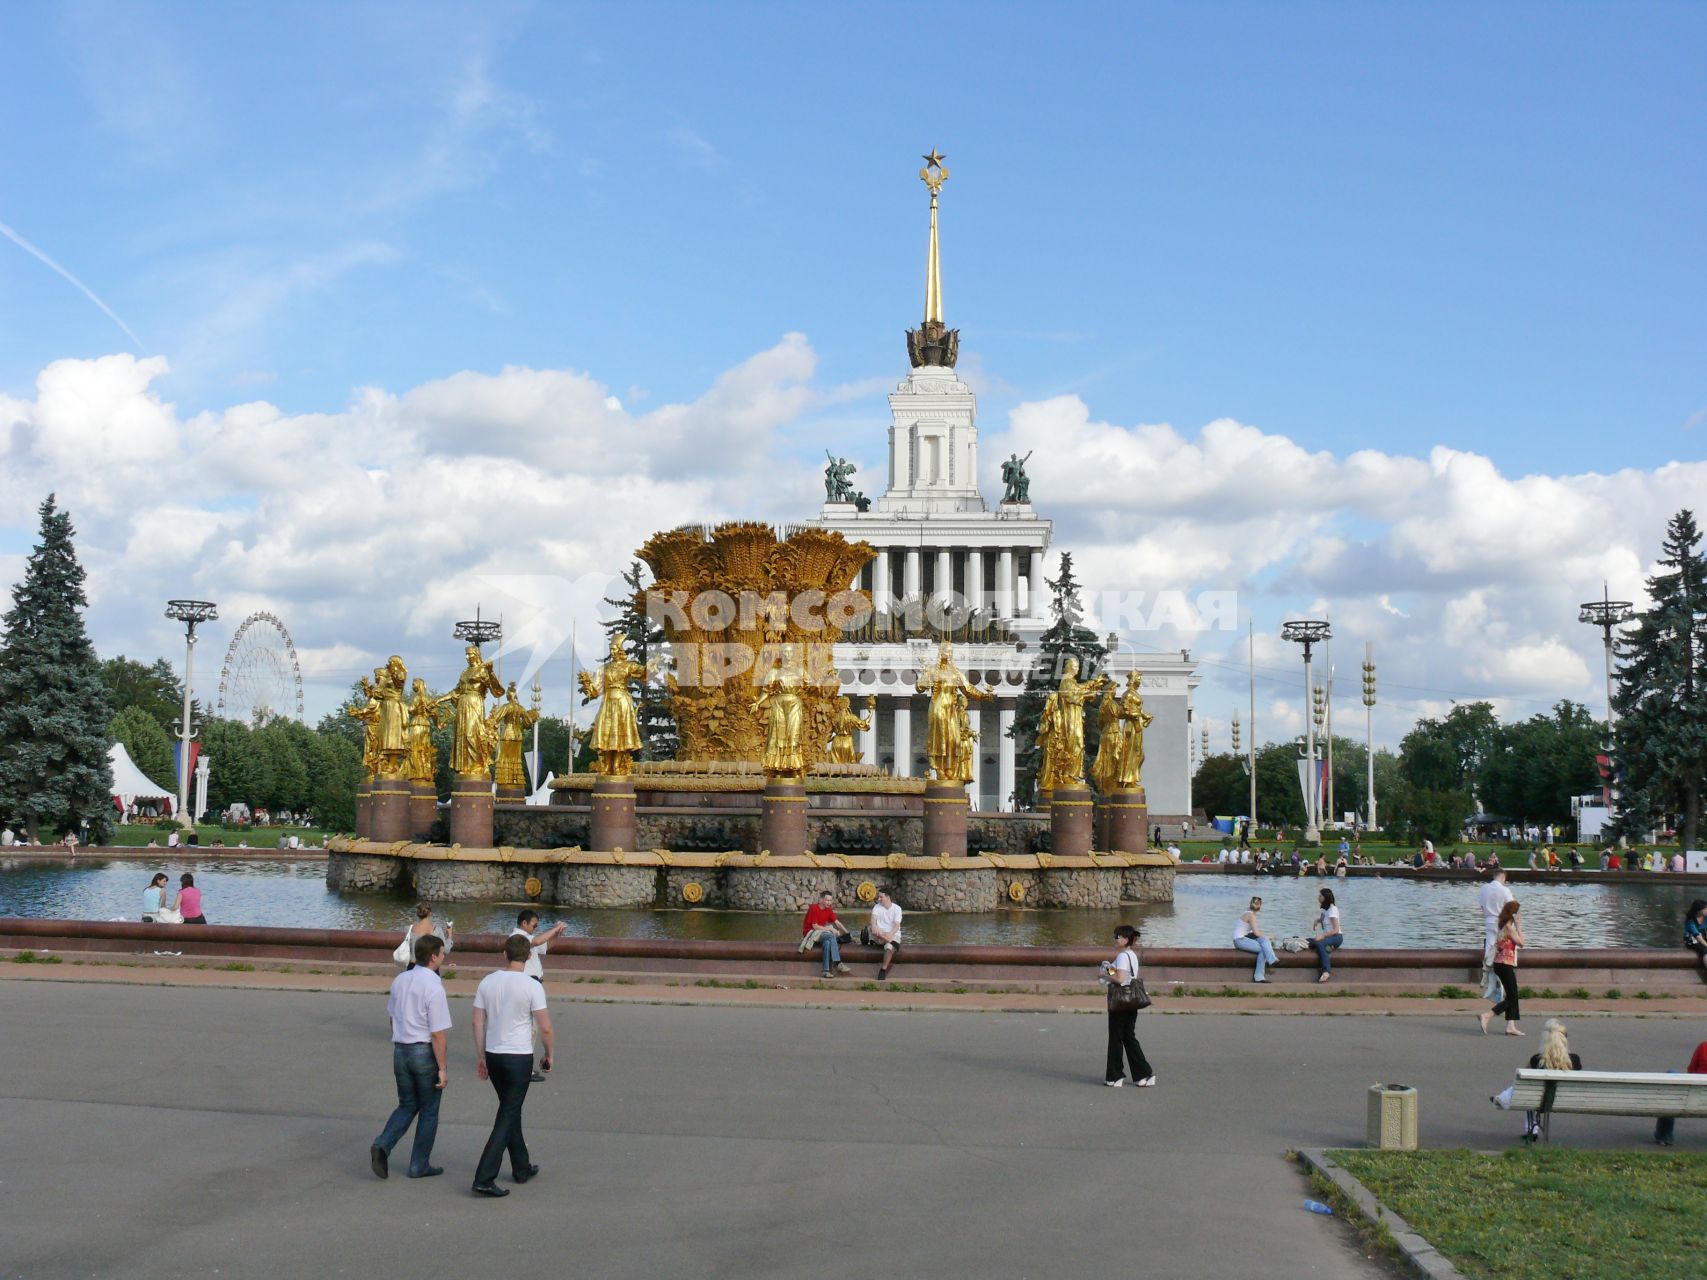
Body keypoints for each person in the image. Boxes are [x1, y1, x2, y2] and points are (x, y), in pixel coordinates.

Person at [470, 934, 555, 1197]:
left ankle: (521, 1168)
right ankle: (484, 1177)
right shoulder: (532, 986)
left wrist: (481, 1056)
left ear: (504, 955)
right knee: (507, 1114)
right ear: (529, 956)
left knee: (510, 1109)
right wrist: (549, 1054)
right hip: (518, 1057)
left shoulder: (488, 981)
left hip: (495, 1054)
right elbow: (545, 1027)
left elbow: (477, 1022)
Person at [369, 933, 451, 1180]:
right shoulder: (434, 986)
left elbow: (392, 1017)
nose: (444, 957)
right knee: (428, 1109)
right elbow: (438, 1034)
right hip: (422, 1050)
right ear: (434, 957)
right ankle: (419, 1164)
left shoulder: (401, 980)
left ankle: (383, 1144)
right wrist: (443, 1068)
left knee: (407, 1104)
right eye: (442, 953)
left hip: (401, 1050)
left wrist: (401, 1036)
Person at [510, 910, 568, 1081]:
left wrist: (557, 934)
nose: (536, 928)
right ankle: (523, 1069)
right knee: (531, 1030)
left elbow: (547, 946)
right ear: (524, 923)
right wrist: (554, 928)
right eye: (534, 924)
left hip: (530, 984)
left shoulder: (527, 938)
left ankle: (518, 1066)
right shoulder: (518, 937)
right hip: (527, 984)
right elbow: (537, 941)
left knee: (530, 1029)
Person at [1102, 924, 1154, 1087]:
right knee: (1128, 1037)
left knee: (1116, 1038)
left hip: (1121, 1000)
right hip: (1131, 1000)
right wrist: (1109, 967)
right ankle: (1144, 1074)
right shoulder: (1131, 955)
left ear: (1125, 939)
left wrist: (1104, 974)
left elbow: (1119, 978)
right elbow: (1124, 974)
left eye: (1117, 936)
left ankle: (1115, 1076)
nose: (1114, 939)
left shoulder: (1123, 956)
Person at [1480, 901, 1525, 1036]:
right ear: (1514, 914)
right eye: (1519, 913)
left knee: (1513, 995)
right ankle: (1487, 1015)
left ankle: (1511, 1026)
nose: (1520, 915)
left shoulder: (1502, 927)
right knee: (1512, 997)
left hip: (1500, 964)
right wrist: (1519, 925)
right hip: (1505, 964)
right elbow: (1522, 943)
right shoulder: (1509, 928)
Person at [1653, 1041, 1707, 1145]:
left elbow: (1691, 1072)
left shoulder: (1704, 1047)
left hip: (1695, 1098)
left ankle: (1665, 1135)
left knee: (1671, 1073)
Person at [1479, 863, 1514, 1005]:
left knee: (1489, 949)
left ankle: (1488, 978)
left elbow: (1481, 906)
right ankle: (1501, 980)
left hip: (1488, 921)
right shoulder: (1505, 890)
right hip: (1502, 922)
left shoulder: (1484, 888)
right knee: (1502, 951)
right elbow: (1512, 908)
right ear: (1503, 877)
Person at [801, 890, 850, 978]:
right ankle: (838, 962)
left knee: (827, 943)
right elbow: (815, 926)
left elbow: (837, 922)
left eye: (830, 900)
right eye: (827, 900)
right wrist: (830, 930)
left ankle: (826, 971)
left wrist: (848, 933)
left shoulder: (828, 909)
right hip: (810, 933)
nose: (829, 902)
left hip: (821, 933)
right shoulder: (814, 908)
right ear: (821, 900)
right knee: (831, 935)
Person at [1232, 896, 1279, 983]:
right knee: (1264, 949)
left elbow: (1254, 934)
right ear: (1260, 907)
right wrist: (1270, 936)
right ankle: (1259, 976)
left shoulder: (1248, 913)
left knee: (1264, 941)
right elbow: (1256, 933)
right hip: (1239, 940)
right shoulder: (1251, 915)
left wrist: (1265, 937)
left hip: (1245, 938)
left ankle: (1271, 959)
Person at [868, 889, 903, 981]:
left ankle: (883, 969)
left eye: (881, 897)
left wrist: (890, 934)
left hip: (892, 934)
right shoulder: (877, 907)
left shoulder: (897, 908)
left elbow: (896, 925)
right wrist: (874, 926)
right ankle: (890, 941)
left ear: (888, 897)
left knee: (889, 948)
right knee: (872, 928)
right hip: (880, 933)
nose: (879, 899)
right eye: (878, 897)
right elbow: (873, 921)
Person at [1309, 888, 1342, 982]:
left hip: (1336, 937)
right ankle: (1328, 948)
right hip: (1329, 937)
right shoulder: (1324, 909)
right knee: (1308, 941)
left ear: (1325, 898)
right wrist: (1317, 920)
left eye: (1320, 896)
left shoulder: (1333, 910)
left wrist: (1322, 936)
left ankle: (1326, 971)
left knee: (1320, 943)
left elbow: (1336, 930)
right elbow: (1322, 919)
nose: (1318, 898)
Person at [1683, 900, 1707, 973]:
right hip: (1693, 940)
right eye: (1706, 909)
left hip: (1704, 937)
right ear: (1699, 910)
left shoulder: (1706, 918)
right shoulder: (1691, 921)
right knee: (1705, 951)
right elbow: (1697, 937)